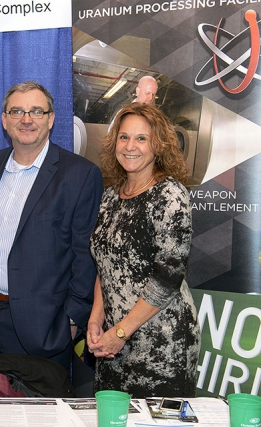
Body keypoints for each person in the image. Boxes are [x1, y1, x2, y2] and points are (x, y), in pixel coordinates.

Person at [0, 81, 103, 370]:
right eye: (17, 111)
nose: (26, 119)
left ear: (51, 119)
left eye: (36, 111)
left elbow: (86, 255)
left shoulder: (80, 175)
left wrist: (70, 320)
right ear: (4, 120)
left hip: (44, 329)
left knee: (38, 415)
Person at [87, 102, 200, 397]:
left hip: (162, 345)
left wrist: (121, 331)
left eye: (141, 138)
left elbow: (167, 279)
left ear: (158, 146)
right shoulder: (110, 196)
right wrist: (96, 320)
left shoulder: (170, 194)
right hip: (114, 344)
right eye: (124, 137)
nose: (130, 146)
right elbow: (105, 265)